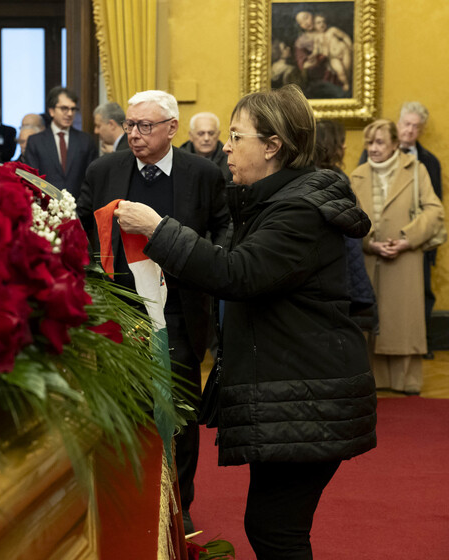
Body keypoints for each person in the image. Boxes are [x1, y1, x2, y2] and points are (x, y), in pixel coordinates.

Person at [113, 84, 377, 559]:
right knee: (271, 526)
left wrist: (158, 230)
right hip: (295, 389)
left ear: (273, 146)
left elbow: (238, 273)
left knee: (276, 530)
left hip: (307, 392)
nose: (227, 147)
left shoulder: (298, 211)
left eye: (237, 136)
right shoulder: (273, 200)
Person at [78, 89, 230, 534]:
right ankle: (122, 495)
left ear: (171, 129)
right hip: (118, 310)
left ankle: (178, 507)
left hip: (181, 311)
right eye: (129, 125)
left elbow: (224, 226)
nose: (135, 134)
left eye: (145, 126)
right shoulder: (104, 169)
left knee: (178, 410)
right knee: (120, 407)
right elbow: (81, 224)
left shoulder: (202, 174)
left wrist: (209, 259)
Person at [350, 119, 444, 396]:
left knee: (402, 322)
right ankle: (373, 378)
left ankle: (406, 380)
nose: (373, 148)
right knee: (372, 321)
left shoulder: (416, 170)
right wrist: (370, 244)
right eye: (369, 143)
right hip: (370, 260)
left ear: (394, 143)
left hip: (406, 258)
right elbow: (350, 219)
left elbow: (434, 211)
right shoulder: (357, 175)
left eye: (379, 142)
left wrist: (407, 238)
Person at [314, 119, 376, 333]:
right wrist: (360, 294)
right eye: (341, 141)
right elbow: (350, 238)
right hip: (333, 276)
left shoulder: (307, 176)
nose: (345, 146)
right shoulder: (334, 181)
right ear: (329, 145)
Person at [25, 86, 98, 196]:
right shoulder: (35, 142)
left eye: (73, 109)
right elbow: (31, 179)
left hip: (79, 208)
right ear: (52, 111)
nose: (69, 113)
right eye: (64, 108)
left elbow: (92, 179)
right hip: (45, 208)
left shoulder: (85, 141)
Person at [178, 112, 230, 182]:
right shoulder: (179, 161)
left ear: (218, 135)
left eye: (211, 133)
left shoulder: (230, 161)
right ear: (191, 135)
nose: (206, 138)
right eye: (201, 134)